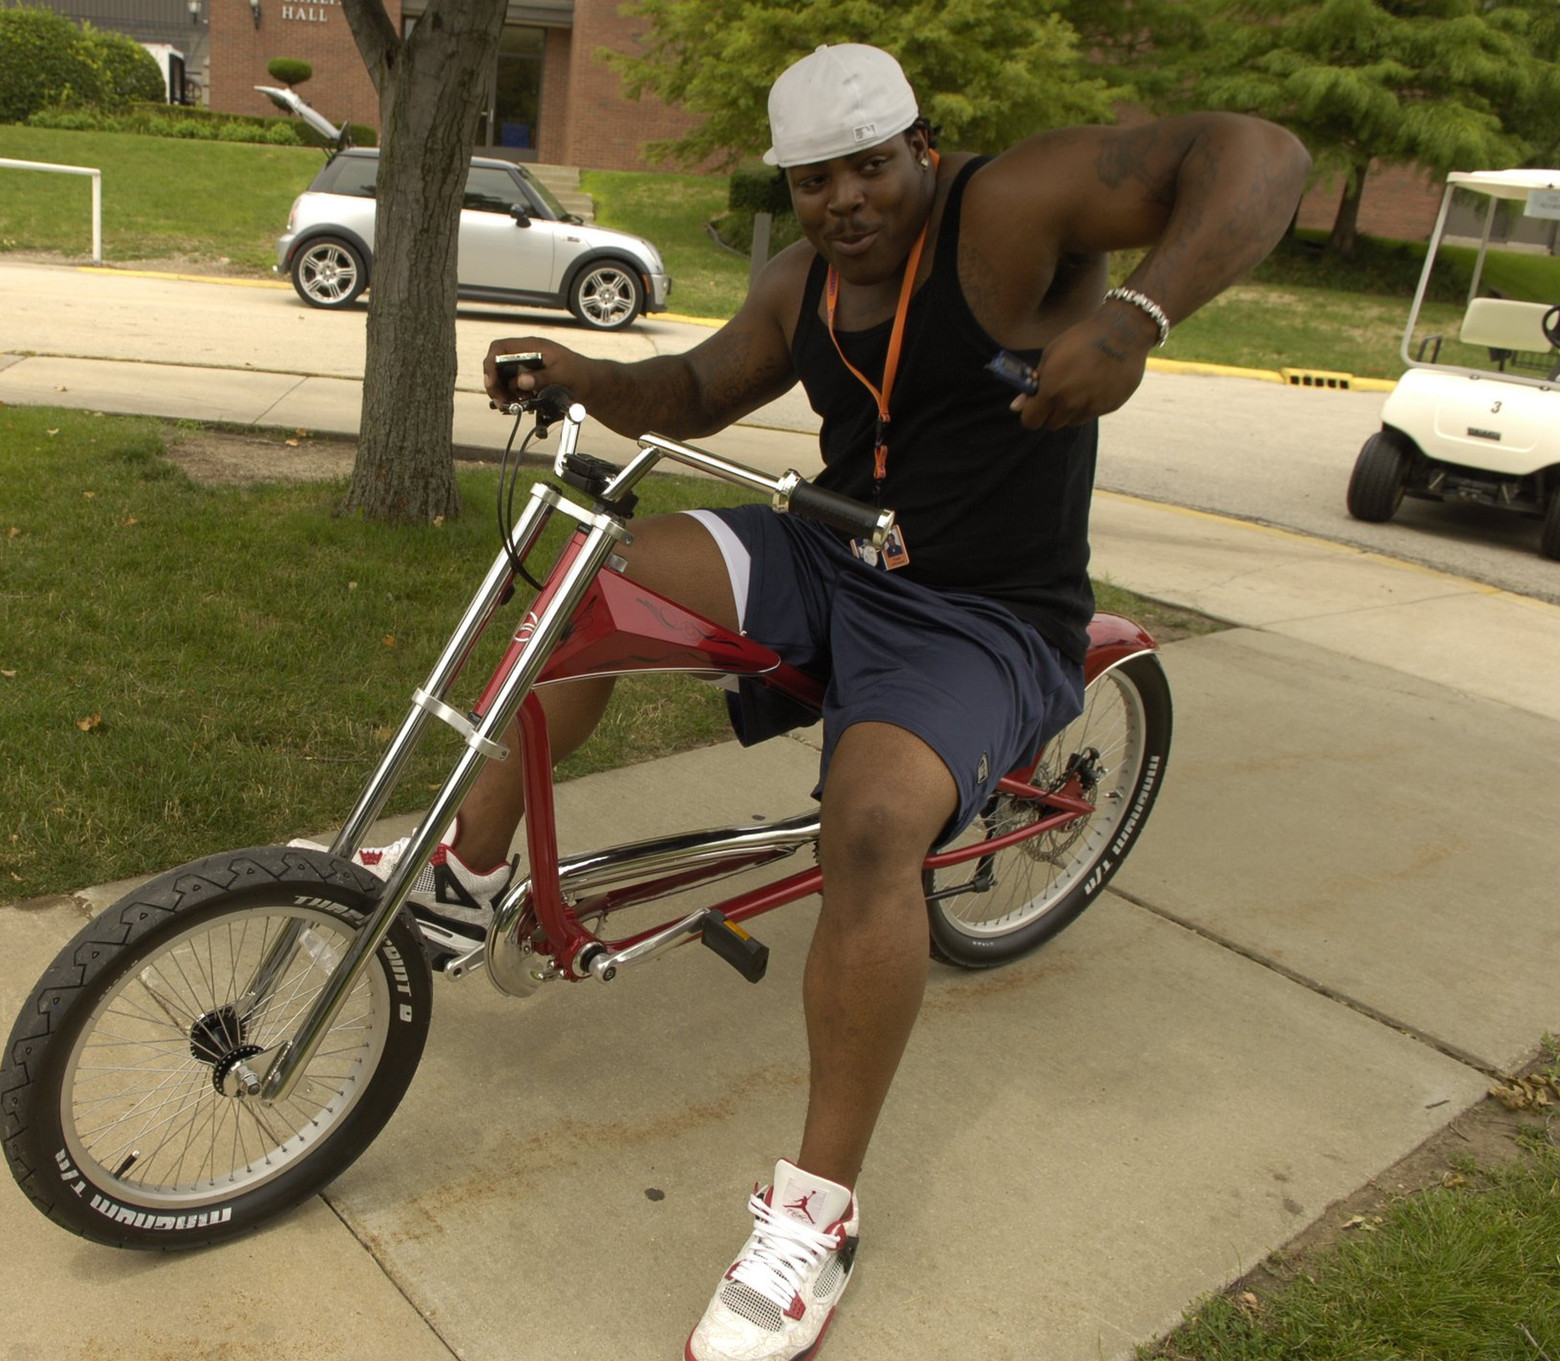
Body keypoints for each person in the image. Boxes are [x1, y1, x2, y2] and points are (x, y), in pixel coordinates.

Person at [355, 43, 1310, 1361]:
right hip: (835, 547)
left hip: (982, 610)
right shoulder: (803, 283)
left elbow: (1260, 152)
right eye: (815, 179)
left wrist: (1134, 319)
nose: (844, 199)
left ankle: (813, 1216)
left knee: (870, 835)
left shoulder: (1012, 210)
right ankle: (466, 880)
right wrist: (580, 375)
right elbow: (691, 393)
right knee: (588, 582)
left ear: (925, 147)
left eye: (870, 164)